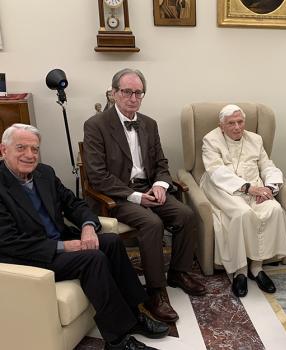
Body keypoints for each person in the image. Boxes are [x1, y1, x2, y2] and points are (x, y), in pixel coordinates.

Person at [0, 124, 169, 350]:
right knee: (92, 258)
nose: (30, 155)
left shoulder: (45, 173)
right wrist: (65, 246)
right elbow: (8, 241)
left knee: (110, 241)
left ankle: (134, 313)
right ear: (3, 150)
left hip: (57, 241)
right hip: (29, 255)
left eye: (35, 149)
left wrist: (88, 226)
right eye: (21, 148)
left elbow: (74, 204)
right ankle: (117, 340)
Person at [83, 68, 206, 323]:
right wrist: (136, 197)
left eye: (138, 92)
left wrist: (161, 185)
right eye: (127, 92)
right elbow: (97, 176)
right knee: (152, 223)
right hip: (118, 195)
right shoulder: (96, 125)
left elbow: (161, 162)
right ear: (114, 93)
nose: (133, 97)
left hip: (149, 187)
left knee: (185, 214)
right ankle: (155, 291)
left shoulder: (149, 123)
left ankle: (178, 273)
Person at [200, 104, 286, 298]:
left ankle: (257, 268)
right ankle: (239, 271)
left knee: (273, 209)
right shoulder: (210, 139)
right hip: (223, 188)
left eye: (240, 122)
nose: (237, 127)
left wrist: (271, 187)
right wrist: (248, 188)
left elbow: (267, 166)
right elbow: (216, 172)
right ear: (221, 125)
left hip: (255, 186)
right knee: (242, 214)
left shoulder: (255, 140)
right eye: (231, 123)